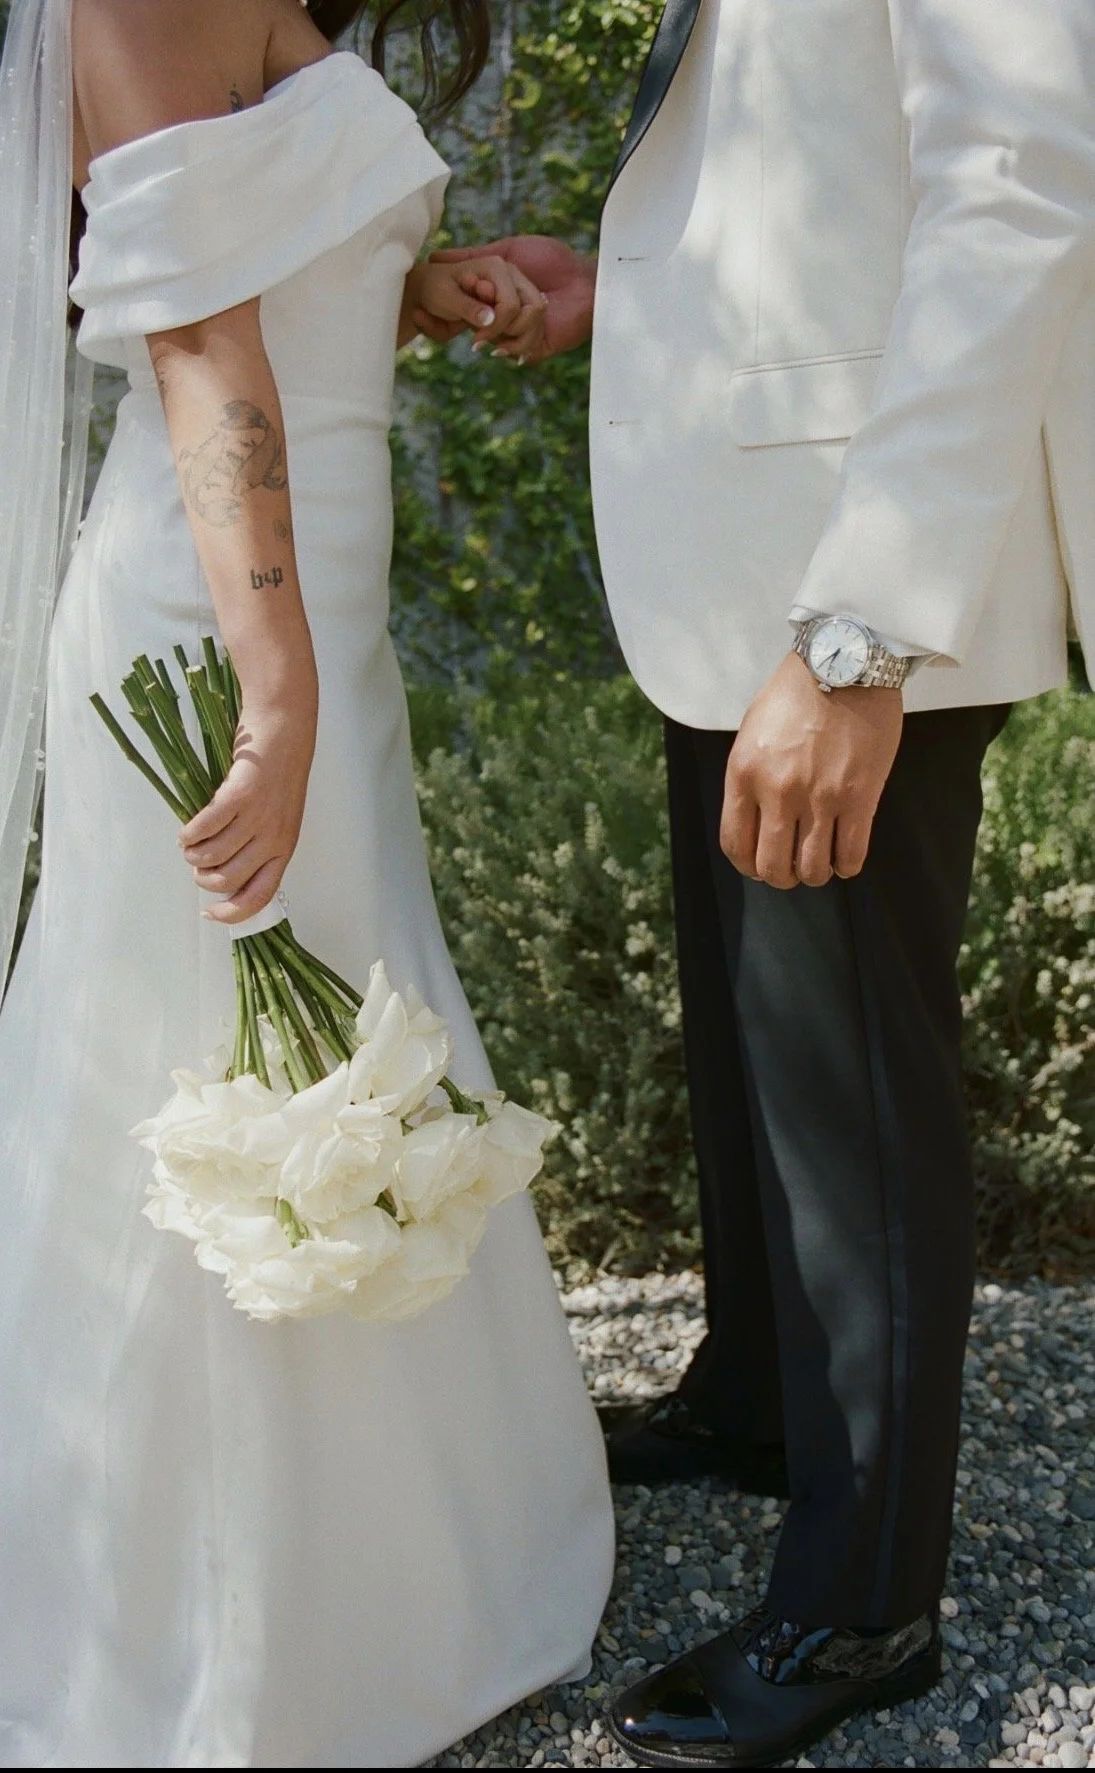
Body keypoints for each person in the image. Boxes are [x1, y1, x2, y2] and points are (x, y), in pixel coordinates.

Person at [0, 1, 614, 1763]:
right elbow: (201, 343)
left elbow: (289, 270)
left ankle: (383, 1576)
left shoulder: (280, 6)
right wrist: (276, 687)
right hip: (216, 632)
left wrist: (425, 284)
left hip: (321, 628)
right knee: (178, 1075)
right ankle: (152, 1611)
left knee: (344, 1041)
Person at [423, 0, 1095, 1763]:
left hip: (860, 588)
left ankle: (863, 1603)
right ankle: (756, 1402)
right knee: (749, 1032)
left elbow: (1020, 182)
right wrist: (617, 291)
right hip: (748, 554)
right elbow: (817, 180)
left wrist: (861, 634)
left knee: (844, 1079)